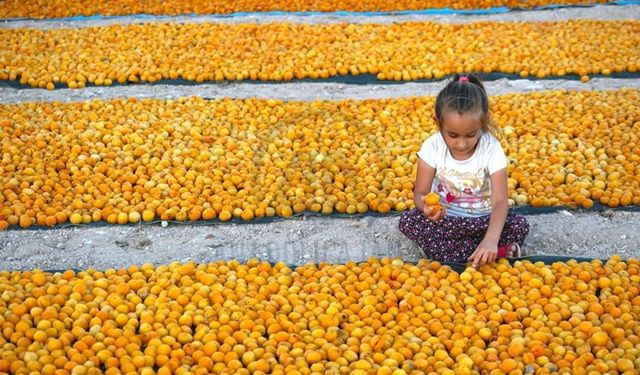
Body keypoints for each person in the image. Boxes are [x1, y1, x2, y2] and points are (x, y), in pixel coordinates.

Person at [399, 74, 529, 267]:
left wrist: (491, 238)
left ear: (482, 123)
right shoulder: (432, 147)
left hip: (483, 220)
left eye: (471, 135)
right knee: (409, 221)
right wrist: (426, 208)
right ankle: (494, 253)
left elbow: (501, 201)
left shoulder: (491, 149)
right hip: (447, 220)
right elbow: (420, 193)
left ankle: (471, 250)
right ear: (438, 123)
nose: (461, 144)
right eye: (452, 135)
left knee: (518, 224)